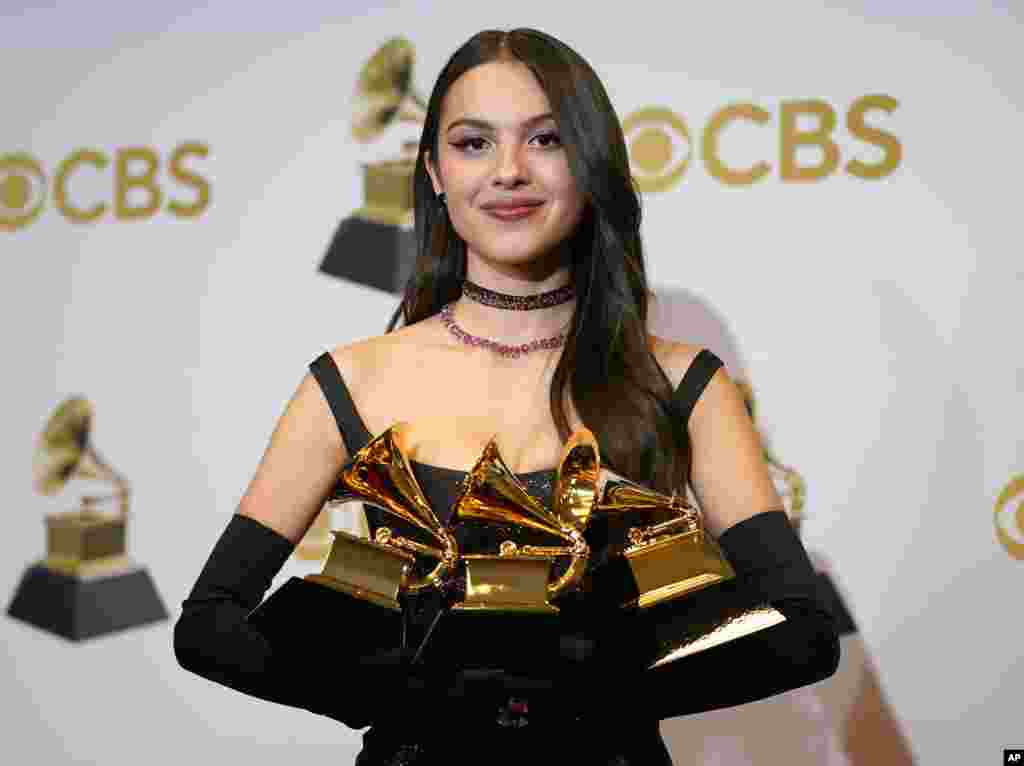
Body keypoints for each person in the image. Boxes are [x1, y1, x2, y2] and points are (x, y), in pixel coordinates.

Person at [173, 28, 840, 765]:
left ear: (591, 162)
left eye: (546, 139)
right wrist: (409, 694)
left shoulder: (682, 383)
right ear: (432, 171)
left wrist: (594, 690)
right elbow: (208, 625)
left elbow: (802, 631)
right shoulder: (351, 380)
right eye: (472, 144)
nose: (509, 172)